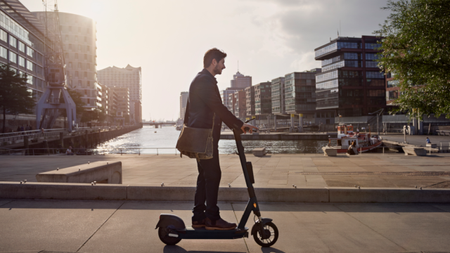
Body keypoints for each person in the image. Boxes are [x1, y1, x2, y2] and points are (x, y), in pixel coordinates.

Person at [186, 48, 258, 231]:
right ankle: (211, 218)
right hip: (205, 137)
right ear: (213, 62)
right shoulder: (204, 81)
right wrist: (239, 124)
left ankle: (198, 217)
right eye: (222, 62)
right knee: (213, 175)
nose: (224, 66)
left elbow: (199, 111)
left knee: (204, 177)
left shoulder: (202, 80)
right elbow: (218, 107)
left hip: (202, 136)